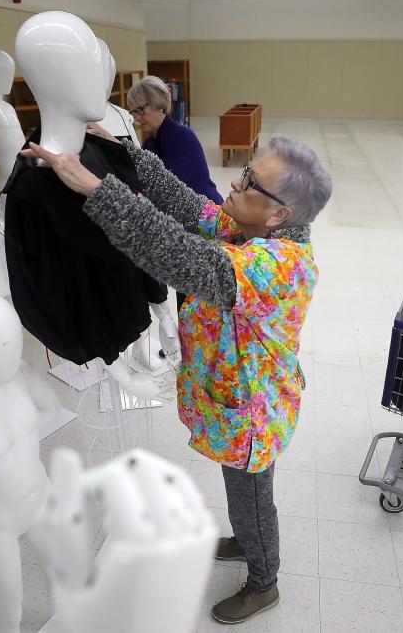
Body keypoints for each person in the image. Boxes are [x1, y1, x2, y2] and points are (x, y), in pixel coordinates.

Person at [20, 128, 332, 625]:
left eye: (250, 181)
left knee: (253, 497)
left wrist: (97, 189)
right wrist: (127, 155)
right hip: (240, 399)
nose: (235, 181)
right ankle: (245, 538)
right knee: (242, 491)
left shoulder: (282, 265)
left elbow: (183, 256)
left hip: (254, 415)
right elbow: (191, 208)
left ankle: (264, 580)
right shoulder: (249, 229)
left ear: (279, 214)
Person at [129, 76, 222, 205]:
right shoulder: (149, 143)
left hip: (205, 216)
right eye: (134, 112)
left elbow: (173, 192)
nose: (137, 118)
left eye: (140, 109)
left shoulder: (183, 137)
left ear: (159, 104)